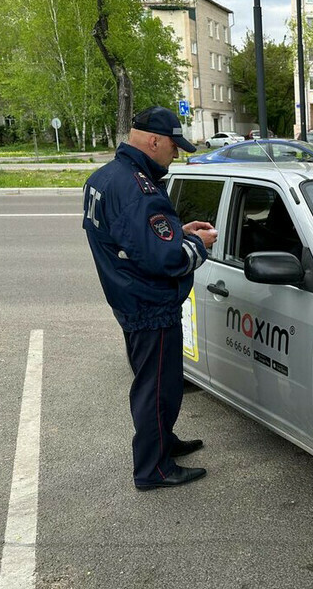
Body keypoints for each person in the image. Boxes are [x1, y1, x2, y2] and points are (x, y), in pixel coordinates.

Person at [82, 106, 218, 491]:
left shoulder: (105, 177)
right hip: (150, 304)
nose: (176, 154)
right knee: (157, 388)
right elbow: (167, 258)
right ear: (154, 140)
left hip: (130, 298)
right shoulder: (136, 188)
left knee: (160, 382)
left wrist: (178, 229)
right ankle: (153, 469)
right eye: (174, 146)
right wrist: (197, 242)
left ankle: (163, 441)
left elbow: (136, 239)